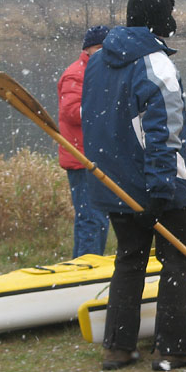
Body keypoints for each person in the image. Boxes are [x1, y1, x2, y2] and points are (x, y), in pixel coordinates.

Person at [81, 0, 186, 372]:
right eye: (170, 13)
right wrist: (161, 191)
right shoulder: (156, 64)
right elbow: (166, 133)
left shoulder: (96, 63)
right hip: (162, 188)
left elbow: (95, 127)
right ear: (157, 20)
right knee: (176, 263)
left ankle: (118, 348)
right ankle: (171, 350)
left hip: (116, 186)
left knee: (129, 261)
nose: (173, 21)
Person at [57, 25, 111, 259]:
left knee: (99, 218)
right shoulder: (75, 74)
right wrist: (106, 110)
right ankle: (87, 267)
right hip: (81, 159)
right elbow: (71, 112)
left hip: (98, 157)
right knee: (91, 219)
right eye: (99, 48)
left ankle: (87, 264)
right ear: (87, 49)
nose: (104, 52)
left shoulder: (103, 71)